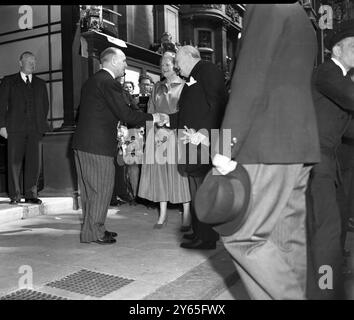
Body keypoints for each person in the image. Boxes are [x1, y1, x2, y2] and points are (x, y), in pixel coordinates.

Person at [210, 4, 320, 299]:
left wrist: (224, 145)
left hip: (268, 142)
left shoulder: (267, 6)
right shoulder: (300, 15)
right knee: (286, 241)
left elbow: (250, 77)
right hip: (298, 143)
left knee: (242, 236)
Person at [72, 47, 164, 245]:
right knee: (101, 189)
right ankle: (96, 232)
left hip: (83, 144)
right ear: (113, 61)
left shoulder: (92, 81)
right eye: (123, 61)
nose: (126, 65)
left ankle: (92, 230)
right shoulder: (109, 83)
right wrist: (154, 117)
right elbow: (127, 115)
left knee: (90, 192)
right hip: (98, 146)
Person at [306, 22, 354, 299]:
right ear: (337, 49)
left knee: (334, 224)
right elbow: (350, 98)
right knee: (326, 226)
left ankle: (328, 280)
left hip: (329, 160)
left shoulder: (342, 78)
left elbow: (347, 129)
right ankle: (324, 289)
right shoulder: (327, 72)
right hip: (317, 159)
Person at [166, 45, 228, 250]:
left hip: (204, 141)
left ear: (187, 57)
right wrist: (164, 119)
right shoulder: (193, 76)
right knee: (196, 189)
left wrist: (204, 134)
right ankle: (200, 231)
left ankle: (207, 237)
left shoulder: (208, 70)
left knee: (203, 190)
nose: (175, 67)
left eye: (177, 62)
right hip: (192, 141)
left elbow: (217, 104)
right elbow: (190, 112)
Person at [138, 52, 191, 229]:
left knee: (180, 176)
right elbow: (150, 112)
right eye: (162, 65)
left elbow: (187, 113)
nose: (164, 68)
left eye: (167, 64)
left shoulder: (185, 86)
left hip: (177, 135)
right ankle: (162, 215)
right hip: (159, 136)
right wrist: (150, 136)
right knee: (160, 175)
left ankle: (187, 214)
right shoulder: (156, 87)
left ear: (176, 65)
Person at [0, 51, 49, 205]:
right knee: (14, 163)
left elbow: (45, 107)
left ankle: (31, 194)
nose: (31, 64)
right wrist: (1, 126)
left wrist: (40, 123)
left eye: (34, 61)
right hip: (14, 129)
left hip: (35, 129)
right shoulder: (8, 81)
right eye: (28, 61)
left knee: (34, 163)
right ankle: (15, 196)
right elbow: (1, 106)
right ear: (20, 63)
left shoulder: (41, 84)